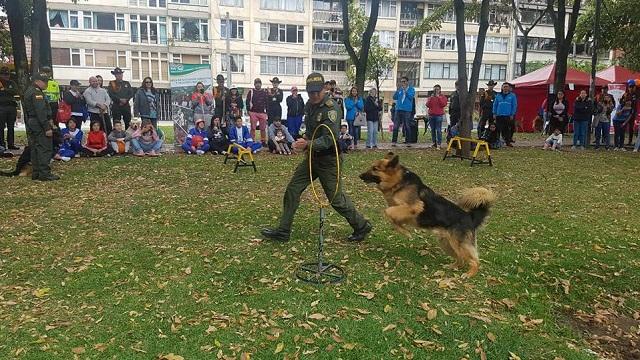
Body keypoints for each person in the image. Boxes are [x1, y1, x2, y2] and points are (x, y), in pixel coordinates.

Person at [261, 72, 371, 243]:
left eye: (316, 92)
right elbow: (312, 131)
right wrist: (304, 138)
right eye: (310, 92)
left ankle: (361, 225)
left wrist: (307, 144)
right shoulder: (309, 105)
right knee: (293, 189)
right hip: (312, 158)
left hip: (329, 160)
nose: (313, 95)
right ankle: (283, 230)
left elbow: (329, 139)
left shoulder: (331, 108)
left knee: (336, 200)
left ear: (324, 89)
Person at [23, 73, 59, 181]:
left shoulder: (30, 90)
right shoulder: (36, 93)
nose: (47, 84)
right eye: (45, 82)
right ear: (37, 81)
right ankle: (44, 173)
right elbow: (40, 112)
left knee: (35, 148)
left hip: (33, 122)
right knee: (44, 147)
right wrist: (47, 127)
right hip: (39, 123)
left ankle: (37, 172)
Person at [392, 77, 415, 147]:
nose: (403, 83)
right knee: (396, 126)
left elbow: (411, 97)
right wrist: (397, 90)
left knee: (407, 126)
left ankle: (408, 142)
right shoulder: (400, 90)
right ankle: (394, 141)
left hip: (407, 110)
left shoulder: (411, 89)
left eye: (404, 81)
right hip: (398, 109)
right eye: (401, 81)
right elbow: (394, 97)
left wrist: (406, 91)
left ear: (407, 82)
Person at [0, 66, 19, 150]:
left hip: (11, 107)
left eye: (7, 74)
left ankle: (11, 144)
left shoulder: (12, 83)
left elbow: (15, 91)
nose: (6, 76)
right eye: (4, 74)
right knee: (1, 127)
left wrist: (4, 90)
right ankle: (1, 144)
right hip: (1, 107)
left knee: (11, 127)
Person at [493, 82, 518, 147]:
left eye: (507, 87)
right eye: (504, 87)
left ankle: (508, 142)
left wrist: (512, 114)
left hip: (508, 115)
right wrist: (494, 113)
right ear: (502, 88)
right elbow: (495, 105)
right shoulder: (498, 95)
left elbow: (514, 105)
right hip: (499, 115)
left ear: (509, 88)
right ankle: (497, 141)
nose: (505, 88)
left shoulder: (512, 95)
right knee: (498, 129)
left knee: (508, 129)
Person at [246, 78, 269, 146]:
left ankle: (263, 141)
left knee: (263, 128)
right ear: (254, 84)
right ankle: (252, 140)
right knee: (253, 128)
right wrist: (248, 111)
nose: (258, 85)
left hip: (262, 112)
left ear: (261, 84)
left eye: (259, 83)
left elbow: (267, 102)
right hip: (253, 112)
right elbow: (247, 101)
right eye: (256, 83)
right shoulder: (251, 91)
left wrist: (266, 112)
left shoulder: (264, 92)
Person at [426, 84, 448, 148]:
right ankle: (434, 143)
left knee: (438, 130)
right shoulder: (431, 97)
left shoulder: (443, 97)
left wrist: (438, 97)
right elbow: (427, 105)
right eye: (435, 89)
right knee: (432, 130)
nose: (436, 91)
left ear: (440, 90)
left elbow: (443, 104)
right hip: (431, 115)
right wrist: (431, 98)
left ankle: (439, 143)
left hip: (439, 116)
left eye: (437, 89)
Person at [621, 79, 638, 145]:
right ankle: (622, 141)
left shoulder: (636, 94)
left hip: (633, 114)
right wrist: (624, 99)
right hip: (625, 114)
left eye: (632, 87)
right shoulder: (625, 94)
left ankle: (631, 141)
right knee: (623, 127)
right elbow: (621, 103)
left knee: (632, 128)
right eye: (630, 87)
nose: (631, 88)